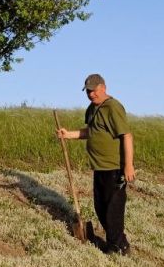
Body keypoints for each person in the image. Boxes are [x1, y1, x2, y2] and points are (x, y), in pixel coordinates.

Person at [56, 73, 135, 254]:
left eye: (94, 91)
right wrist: (68, 135)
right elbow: (90, 132)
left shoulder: (113, 107)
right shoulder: (92, 109)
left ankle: (118, 246)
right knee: (100, 207)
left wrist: (128, 165)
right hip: (99, 166)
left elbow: (127, 136)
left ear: (103, 88)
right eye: (88, 91)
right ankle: (117, 242)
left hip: (114, 167)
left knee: (113, 209)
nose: (91, 94)